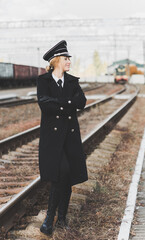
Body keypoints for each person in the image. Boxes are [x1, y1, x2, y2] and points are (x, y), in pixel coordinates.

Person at [36, 40, 88, 235]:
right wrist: (68, 102)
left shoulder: (73, 81)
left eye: (69, 58)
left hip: (70, 138)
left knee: (67, 177)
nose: (69, 62)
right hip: (52, 140)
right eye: (66, 58)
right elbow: (44, 104)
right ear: (56, 60)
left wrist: (59, 101)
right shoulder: (44, 81)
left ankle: (60, 219)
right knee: (63, 172)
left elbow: (81, 102)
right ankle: (51, 216)